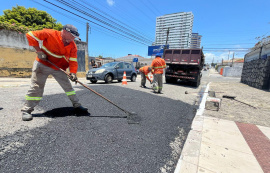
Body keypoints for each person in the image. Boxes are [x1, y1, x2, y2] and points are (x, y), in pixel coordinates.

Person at [21, 24, 88, 121]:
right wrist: (39, 51)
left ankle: (77, 106)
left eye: (75, 37)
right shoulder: (50, 33)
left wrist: (73, 73)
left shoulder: (72, 46)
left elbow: (73, 60)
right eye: (72, 35)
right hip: (43, 64)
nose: (73, 38)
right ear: (65, 32)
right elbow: (30, 34)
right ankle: (26, 110)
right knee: (36, 87)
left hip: (58, 68)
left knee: (68, 87)